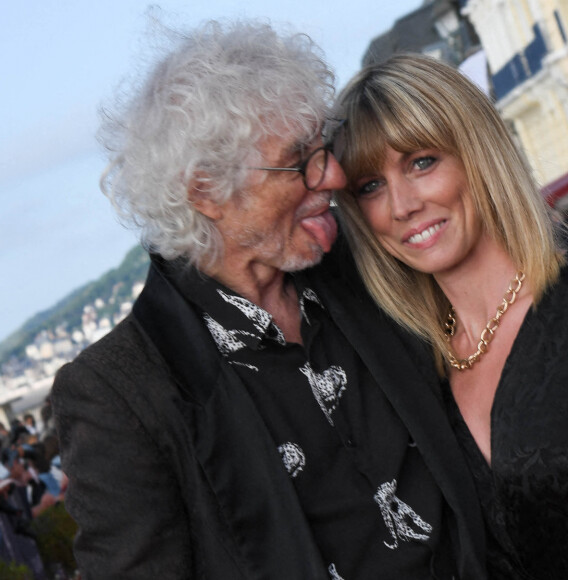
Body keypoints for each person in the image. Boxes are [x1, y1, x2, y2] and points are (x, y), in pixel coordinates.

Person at [52, 22, 487, 579]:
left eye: (323, 148)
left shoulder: (369, 265)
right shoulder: (119, 393)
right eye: (298, 160)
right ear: (206, 190)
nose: (332, 175)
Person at [332, 53, 568, 579]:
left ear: (477, 153)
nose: (401, 205)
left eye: (421, 162)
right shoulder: (413, 378)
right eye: (370, 187)